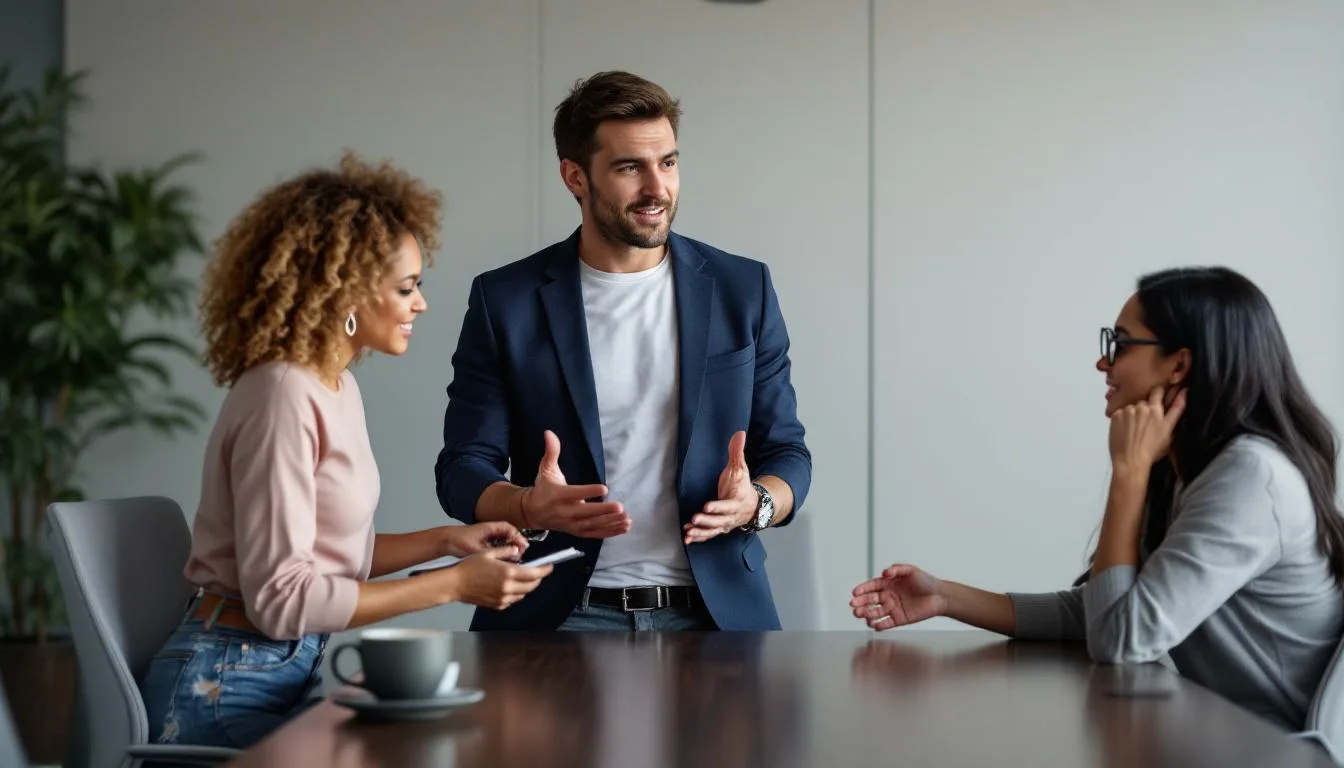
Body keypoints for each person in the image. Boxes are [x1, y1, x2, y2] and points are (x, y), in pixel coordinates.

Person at [138, 153, 553, 750]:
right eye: (406, 288)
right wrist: (455, 586)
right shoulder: (281, 395)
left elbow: (323, 560)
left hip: (276, 668)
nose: (420, 305)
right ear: (346, 293)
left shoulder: (334, 385)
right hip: (224, 685)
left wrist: (447, 541)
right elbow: (283, 600)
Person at [851, 266, 1344, 731]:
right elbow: (1104, 611)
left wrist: (1127, 475)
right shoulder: (1193, 470)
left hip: (1279, 753)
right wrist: (943, 597)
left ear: (1179, 364)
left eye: (1121, 345)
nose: (1103, 362)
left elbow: (1120, 639)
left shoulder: (1250, 478)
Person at [434, 71, 812, 632]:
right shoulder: (506, 301)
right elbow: (462, 469)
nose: (657, 188)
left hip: (715, 619)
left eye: (668, 162)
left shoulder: (742, 288)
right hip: (556, 617)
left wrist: (754, 504)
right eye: (630, 167)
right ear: (574, 176)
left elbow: (788, 455)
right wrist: (525, 506)